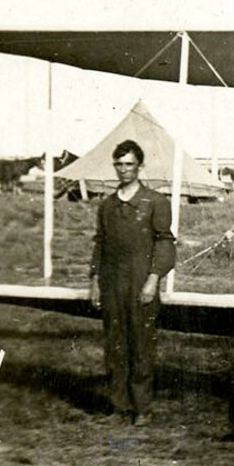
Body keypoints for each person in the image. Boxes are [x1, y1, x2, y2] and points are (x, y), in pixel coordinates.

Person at [87, 139, 176, 426]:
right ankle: (118, 406)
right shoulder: (107, 205)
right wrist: (95, 280)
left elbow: (165, 244)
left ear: (140, 166)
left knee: (141, 343)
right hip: (112, 282)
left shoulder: (155, 202)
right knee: (115, 344)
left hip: (141, 281)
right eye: (119, 164)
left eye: (129, 164)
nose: (124, 169)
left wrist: (153, 280)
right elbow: (100, 243)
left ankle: (141, 408)